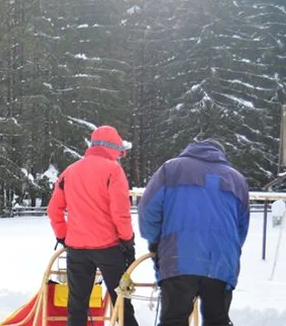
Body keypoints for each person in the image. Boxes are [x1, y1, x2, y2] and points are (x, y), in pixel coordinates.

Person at [138, 138, 249, 326]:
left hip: (178, 257)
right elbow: (241, 227)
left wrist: (156, 240)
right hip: (221, 262)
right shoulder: (236, 179)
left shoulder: (171, 170)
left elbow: (148, 210)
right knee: (217, 320)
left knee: (173, 320)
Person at [47, 125, 139, 326]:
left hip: (77, 248)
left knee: (77, 304)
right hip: (109, 247)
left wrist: (63, 235)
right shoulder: (113, 170)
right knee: (121, 300)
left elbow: (54, 210)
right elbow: (120, 212)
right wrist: (127, 239)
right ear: (114, 147)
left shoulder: (70, 171)